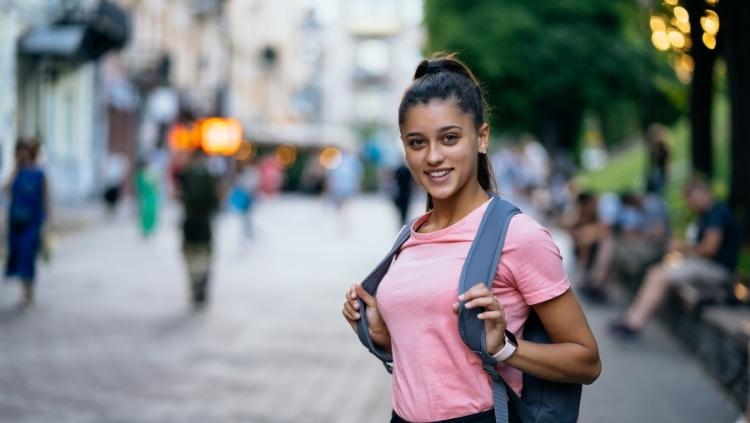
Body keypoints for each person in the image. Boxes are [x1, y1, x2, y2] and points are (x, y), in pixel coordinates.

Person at [341, 55, 601, 423]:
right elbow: (437, 360)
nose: (433, 157)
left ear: (481, 137)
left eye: (449, 138)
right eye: (417, 143)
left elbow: (587, 360)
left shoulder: (517, 236)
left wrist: (505, 348)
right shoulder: (409, 237)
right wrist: (383, 337)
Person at [610, 176, 740, 340]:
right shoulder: (710, 213)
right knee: (656, 272)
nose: (689, 205)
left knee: (659, 275)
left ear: (699, 194)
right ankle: (631, 319)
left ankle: (633, 324)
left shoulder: (717, 213)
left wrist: (682, 248)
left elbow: (709, 249)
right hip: (708, 266)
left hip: (718, 270)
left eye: (689, 199)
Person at [4, 139, 51, 311]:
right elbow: (6, 188)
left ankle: (28, 294)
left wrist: (49, 223)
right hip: (16, 221)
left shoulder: (40, 173)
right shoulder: (17, 171)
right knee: (17, 255)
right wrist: (15, 168)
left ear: (31, 152)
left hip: (32, 223)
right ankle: (24, 292)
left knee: (28, 255)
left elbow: (46, 200)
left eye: (25, 150)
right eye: (19, 151)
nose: (22, 154)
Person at [176, 148, 221, 307]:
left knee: (189, 254)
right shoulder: (210, 175)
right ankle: (202, 280)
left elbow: (178, 195)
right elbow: (217, 200)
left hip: (189, 221)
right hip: (205, 221)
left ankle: (194, 282)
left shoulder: (185, 173)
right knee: (205, 254)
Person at [134, 158, 159, 238]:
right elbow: (139, 186)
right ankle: (145, 229)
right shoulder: (140, 175)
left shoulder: (150, 173)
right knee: (145, 212)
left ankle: (150, 228)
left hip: (151, 196)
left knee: (151, 212)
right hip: (145, 196)